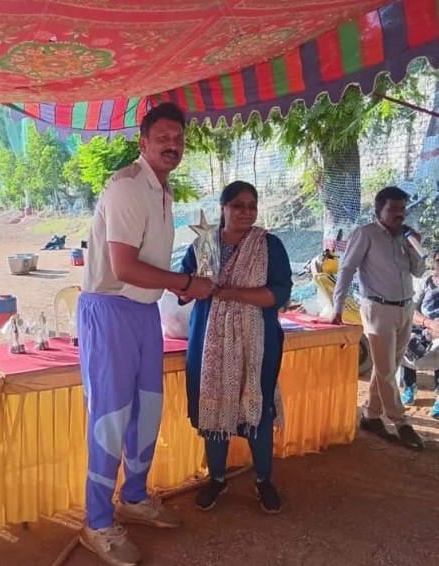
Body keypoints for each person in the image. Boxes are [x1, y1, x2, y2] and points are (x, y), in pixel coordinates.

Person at [77, 102, 214, 566]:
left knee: (146, 412)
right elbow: (124, 267)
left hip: (142, 311)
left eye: (178, 139)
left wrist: (182, 281)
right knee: (111, 418)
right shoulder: (128, 188)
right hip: (110, 309)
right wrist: (184, 283)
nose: (172, 145)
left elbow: (147, 264)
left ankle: (133, 497)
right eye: (163, 138)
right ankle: (97, 523)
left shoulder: (163, 189)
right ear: (143, 142)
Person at [179, 181, 292, 513]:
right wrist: (191, 285)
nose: (246, 212)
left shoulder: (268, 245)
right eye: (238, 205)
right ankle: (217, 479)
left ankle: (264, 480)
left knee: (257, 406)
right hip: (209, 341)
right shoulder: (204, 244)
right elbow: (183, 288)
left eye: (252, 205)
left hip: (256, 341)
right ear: (223, 208)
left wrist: (234, 294)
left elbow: (280, 293)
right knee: (213, 407)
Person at [332, 186, 426, 450]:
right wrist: (337, 306)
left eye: (402, 209)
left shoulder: (405, 237)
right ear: (378, 210)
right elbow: (346, 268)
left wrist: (416, 247)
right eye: (392, 209)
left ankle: (371, 416)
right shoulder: (366, 234)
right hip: (378, 309)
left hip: (405, 308)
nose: (399, 214)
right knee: (386, 370)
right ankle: (402, 422)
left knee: (388, 368)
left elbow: (419, 272)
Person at [400, 248, 439, 418]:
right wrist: (428, 323)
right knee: (403, 338)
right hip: (423, 326)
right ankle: (409, 386)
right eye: (438, 261)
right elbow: (410, 310)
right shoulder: (425, 283)